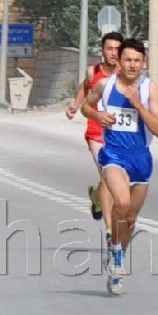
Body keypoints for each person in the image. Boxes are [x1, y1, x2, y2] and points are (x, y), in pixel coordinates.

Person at [81, 38, 158, 296]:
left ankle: (117, 259)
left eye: (137, 61)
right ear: (120, 61)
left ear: (144, 63)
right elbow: (87, 105)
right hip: (114, 156)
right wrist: (97, 115)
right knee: (122, 202)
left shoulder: (150, 89)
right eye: (127, 59)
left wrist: (138, 104)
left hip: (140, 158)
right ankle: (115, 251)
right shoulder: (105, 85)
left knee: (130, 219)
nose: (132, 65)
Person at [66, 31, 123, 228]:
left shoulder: (126, 74)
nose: (113, 53)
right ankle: (111, 230)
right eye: (109, 49)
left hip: (118, 134)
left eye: (117, 49)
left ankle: (96, 197)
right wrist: (76, 105)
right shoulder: (94, 71)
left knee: (112, 179)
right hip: (96, 131)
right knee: (108, 175)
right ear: (102, 51)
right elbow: (85, 86)